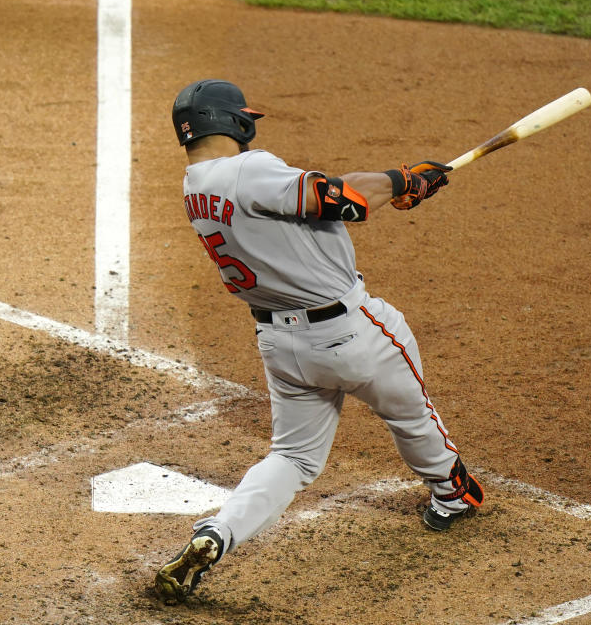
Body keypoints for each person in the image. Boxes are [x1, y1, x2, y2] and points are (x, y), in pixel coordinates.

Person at [155, 79, 484, 603]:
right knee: (409, 415)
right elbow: (343, 198)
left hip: (280, 346)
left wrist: (400, 186)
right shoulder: (247, 167)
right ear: (232, 121)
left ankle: (217, 533)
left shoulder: (195, 186)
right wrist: (403, 180)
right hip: (352, 332)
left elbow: (324, 204)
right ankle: (452, 494)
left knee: (292, 458)